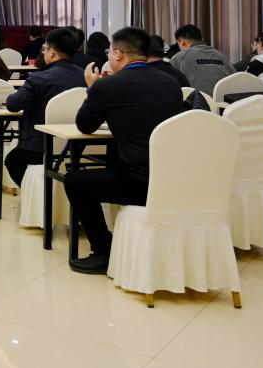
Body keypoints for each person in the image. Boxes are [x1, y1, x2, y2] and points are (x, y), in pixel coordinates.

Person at [64, 27, 187, 274]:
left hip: (139, 183)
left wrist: (92, 88)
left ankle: (104, 252)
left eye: (110, 52)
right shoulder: (171, 83)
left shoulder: (108, 86)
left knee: (75, 181)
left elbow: (85, 125)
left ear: (119, 54)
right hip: (175, 179)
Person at [2, 28, 87, 185]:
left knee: (13, 161)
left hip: (39, 147)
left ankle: (35, 193)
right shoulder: (85, 77)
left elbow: (13, 105)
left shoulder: (39, 78)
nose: (44, 53)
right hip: (77, 146)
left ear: (52, 52)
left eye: (45, 49)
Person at [168, 24, 232, 95]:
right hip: (229, 100)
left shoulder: (179, 57)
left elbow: (166, 81)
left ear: (182, 42)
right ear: (201, 39)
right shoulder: (221, 55)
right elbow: (235, 77)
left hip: (198, 101)